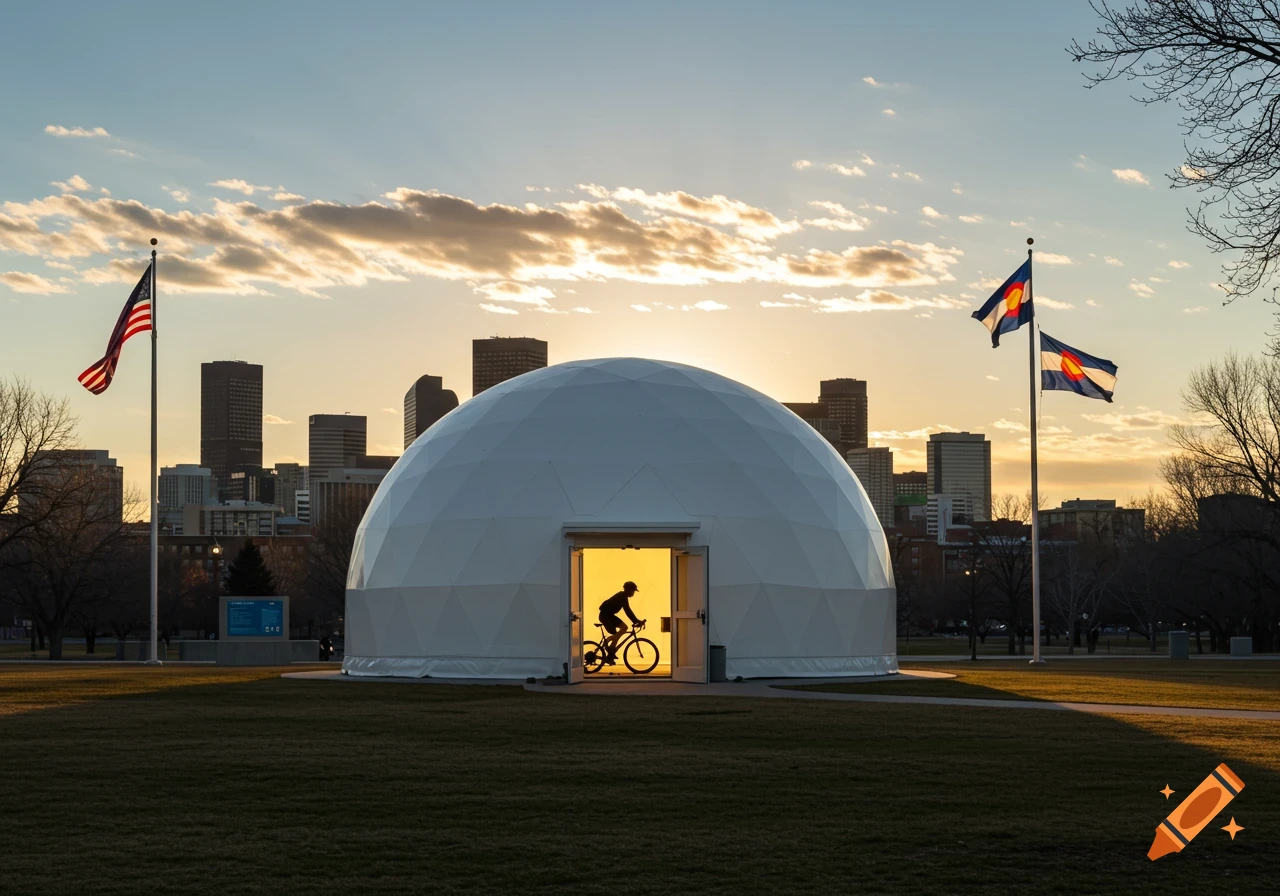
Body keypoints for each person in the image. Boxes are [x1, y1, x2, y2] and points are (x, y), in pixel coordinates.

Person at [598, 581, 643, 663]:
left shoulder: (622, 596)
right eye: (633, 591)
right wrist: (636, 621)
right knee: (617, 632)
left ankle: (610, 653)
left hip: (608, 615)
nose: (633, 593)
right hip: (606, 616)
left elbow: (628, 611)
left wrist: (636, 620)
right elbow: (628, 611)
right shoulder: (622, 596)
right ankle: (609, 648)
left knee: (624, 628)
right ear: (629, 590)